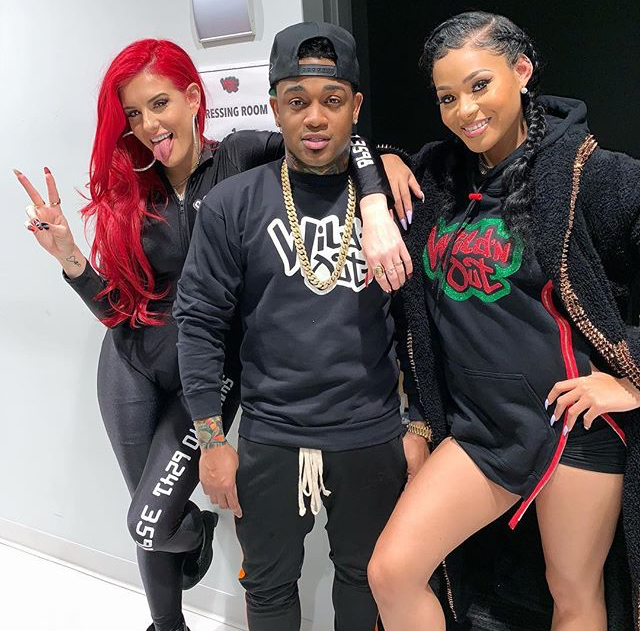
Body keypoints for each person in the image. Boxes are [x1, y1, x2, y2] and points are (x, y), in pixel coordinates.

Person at [14, 38, 408, 631]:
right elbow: (117, 309)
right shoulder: (131, 191)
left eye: (159, 104)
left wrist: (384, 171)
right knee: (148, 523)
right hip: (131, 363)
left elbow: (323, 135)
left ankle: (194, 535)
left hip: (211, 374)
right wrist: (70, 258)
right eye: (134, 114)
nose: (149, 125)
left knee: (151, 520)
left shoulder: (240, 158)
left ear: (194, 99)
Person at [367, 11, 640, 631]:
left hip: (573, 426)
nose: (465, 110)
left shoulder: (592, 175)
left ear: (521, 71)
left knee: (573, 596)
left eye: (479, 85)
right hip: (481, 428)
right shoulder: (439, 176)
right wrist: (382, 169)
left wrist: (629, 377)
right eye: (447, 97)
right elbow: (369, 157)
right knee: (392, 572)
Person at [173, 21, 429, 631]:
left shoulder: (394, 205)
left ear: (355, 107)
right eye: (297, 101)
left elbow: (420, 324)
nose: (315, 118)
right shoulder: (233, 204)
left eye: (332, 100)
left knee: (365, 583)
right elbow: (200, 323)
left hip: (369, 433)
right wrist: (212, 441)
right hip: (270, 434)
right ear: (275, 108)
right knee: (267, 587)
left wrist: (418, 424)